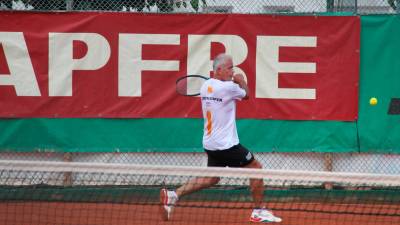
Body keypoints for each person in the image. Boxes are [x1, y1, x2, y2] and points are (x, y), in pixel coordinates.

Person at [160, 54, 282, 223]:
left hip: (210, 143)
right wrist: (241, 81)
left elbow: (222, 92)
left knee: (212, 178)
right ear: (218, 70)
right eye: (230, 68)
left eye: (233, 68)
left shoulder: (205, 86)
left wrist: (233, 81)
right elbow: (246, 95)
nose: (233, 71)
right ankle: (258, 211)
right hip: (226, 145)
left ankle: (174, 195)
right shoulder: (228, 88)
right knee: (256, 168)